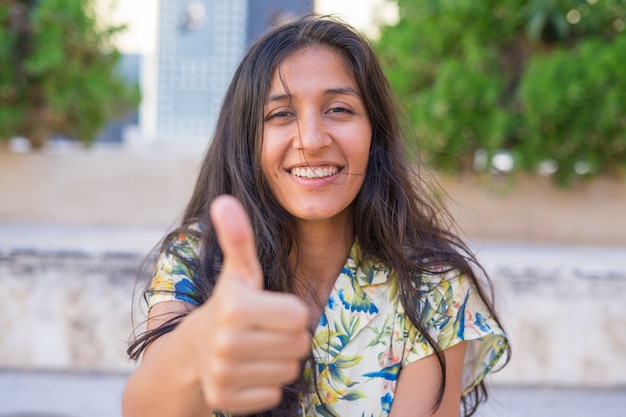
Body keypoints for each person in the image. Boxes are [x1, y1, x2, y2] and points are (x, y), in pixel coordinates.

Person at [122, 15, 509, 417]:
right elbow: (143, 408)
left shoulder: (432, 285)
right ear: (246, 140)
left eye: (339, 109)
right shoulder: (194, 257)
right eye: (280, 115)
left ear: (374, 132)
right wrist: (193, 349)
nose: (311, 139)